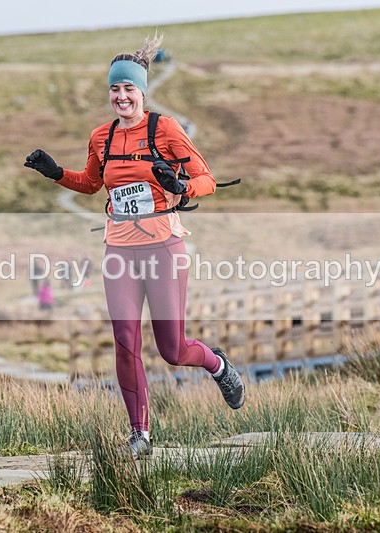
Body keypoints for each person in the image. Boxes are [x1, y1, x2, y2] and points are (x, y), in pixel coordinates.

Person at [24, 35, 245, 459]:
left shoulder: (165, 129)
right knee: (125, 340)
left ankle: (218, 367)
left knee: (172, 349)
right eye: (114, 88)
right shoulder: (100, 137)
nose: (121, 96)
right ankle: (140, 435)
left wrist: (180, 186)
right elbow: (90, 184)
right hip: (119, 250)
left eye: (128, 88)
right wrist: (55, 173)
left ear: (141, 92)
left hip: (164, 246)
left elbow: (207, 180)